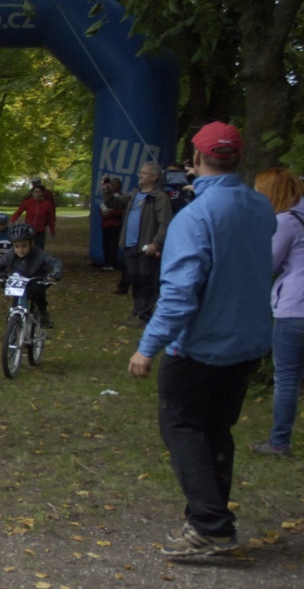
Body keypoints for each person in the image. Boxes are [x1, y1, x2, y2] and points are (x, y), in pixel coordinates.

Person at [128, 122, 274, 559]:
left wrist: (147, 346)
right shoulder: (260, 206)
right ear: (238, 158)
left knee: (183, 428)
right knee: (216, 431)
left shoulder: (196, 216)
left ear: (195, 159)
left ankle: (211, 525)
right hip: (246, 342)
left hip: (200, 347)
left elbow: (179, 294)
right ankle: (206, 520)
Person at [253, 166, 304, 456]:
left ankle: (279, 441)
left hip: (295, 308)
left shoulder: (286, 222)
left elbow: (268, 262)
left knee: (286, 377)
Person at [121, 162, 172, 326]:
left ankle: (143, 315)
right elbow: (116, 203)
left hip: (146, 246)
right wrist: (106, 191)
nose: (139, 175)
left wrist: (156, 243)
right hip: (130, 244)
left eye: (143, 173)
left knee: (146, 280)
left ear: (154, 177)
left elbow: (165, 223)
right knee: (135, 280)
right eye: (140, 172)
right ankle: (136, 311)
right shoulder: (135, 193)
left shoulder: (159, 197)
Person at [0, 222, 62, 327]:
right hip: (17, 282)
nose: (20, 249)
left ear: (31, 244)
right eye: (17, 246)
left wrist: (55, 272)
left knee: (38, 294)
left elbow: (56, 263)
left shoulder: (39, 254)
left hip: (36, 280)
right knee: (15, 302)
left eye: (24, 246)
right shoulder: (11, 254)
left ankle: (43, 311)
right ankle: (14, 324)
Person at [12, 182, 56, 250]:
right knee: (27, 247)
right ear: (32, 193)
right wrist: (12, 221)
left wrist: (52, 230)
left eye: (39, 192)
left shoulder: (47, 204)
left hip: (40, 230)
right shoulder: (27, 203)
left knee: (39, 248)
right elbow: (18, 212)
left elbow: (50, 218)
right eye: (35, 192)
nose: (37, 194)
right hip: (28, 229)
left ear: (42, 193)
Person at [98, 176, 127, 272]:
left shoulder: (120, 196)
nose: (113, 185)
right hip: (105, 223)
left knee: (113, 244)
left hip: (115, 224)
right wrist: (102, 213)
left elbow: (122, 211)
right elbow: (101, 206)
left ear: (119, 185)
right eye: (112, 183)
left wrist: (111, 213)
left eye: (116, 184)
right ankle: (106, 263)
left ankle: (112, 263)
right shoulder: (107, 195)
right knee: (105, 244)